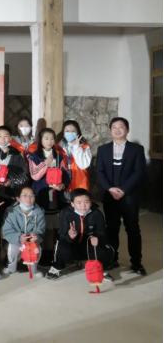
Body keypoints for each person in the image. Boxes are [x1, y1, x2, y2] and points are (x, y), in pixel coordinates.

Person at [96, 117, 147, 276]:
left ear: (127, 130)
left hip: (129, 195)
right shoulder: (103, 149)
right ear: (110, 131)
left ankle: (136, 263)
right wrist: (110, 188)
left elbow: (139, 172)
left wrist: (123, 190)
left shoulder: (137, 149)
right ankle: (112, 259)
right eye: (114, 127)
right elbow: (99, 172)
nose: (117, 130)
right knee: (111, 229)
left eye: (121, 127)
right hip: (109, 196)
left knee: (133, 229)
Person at [0, 125, 29, 264]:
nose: (3, 139)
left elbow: (24, 176)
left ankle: (10, 259)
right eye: (0, 136)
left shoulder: (17, 154)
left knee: (11, 227)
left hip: (11, 197)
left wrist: (11, 181)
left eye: (6, 136)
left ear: (11, 138)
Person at [46, 189, 116, 282]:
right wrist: (70, 236)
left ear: (90, 202)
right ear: (72, 204)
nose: (83, 206)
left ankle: (99, 269)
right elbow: (62, 234)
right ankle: (56, 267)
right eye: (79, 203)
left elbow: (102, 232)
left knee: (106, 249)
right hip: (72, 245)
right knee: (61, 245)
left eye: (86, 202)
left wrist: (98, 238)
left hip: (88, 245)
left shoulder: (96, 213)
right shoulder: (65, 213)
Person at [29, 128, 71, 263]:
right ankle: (41, 253)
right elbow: (35, 175)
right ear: (40, 140)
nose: (49, 141)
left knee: (54, 225)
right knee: (42, 224)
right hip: (41, 194)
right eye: (46, 138)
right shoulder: (34, 156)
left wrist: (63, 184)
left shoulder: (60, 156)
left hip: (56, 195)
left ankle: (53, 252)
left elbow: (66, 174)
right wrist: (45, 163)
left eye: (52, 138)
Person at [2, 187, 46, 278]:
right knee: (13, 248)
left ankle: (33, 270)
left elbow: (41, 229)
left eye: (31, 196)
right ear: (18, 198)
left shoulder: (39, 212)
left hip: (31, 241)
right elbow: (7, 231)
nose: (28, 198)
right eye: (25, 195)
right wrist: (19, 237)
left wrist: (36, 236)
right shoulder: (11, 211)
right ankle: (11, 268)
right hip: (16, 241)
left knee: (36, 248)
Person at [59, 120, 93, 195]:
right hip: (64, 184)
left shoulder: (85, 147)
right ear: (63, 133)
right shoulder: (60, 148)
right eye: (67, 131)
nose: (70, 133)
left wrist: (76, 147)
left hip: (80, 184)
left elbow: (83, 165)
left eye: (73, 131)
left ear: (78, 133)